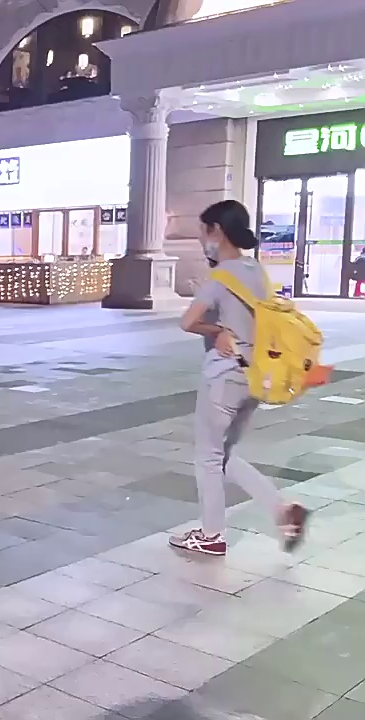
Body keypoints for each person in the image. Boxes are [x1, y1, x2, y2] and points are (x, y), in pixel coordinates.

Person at [173, 199, 308, 556]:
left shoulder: (221, 276)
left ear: (217, 231)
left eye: (203, 231)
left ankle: (211, 534)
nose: (202, 240)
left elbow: (188, 322)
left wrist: (217, 329)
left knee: (208, 457)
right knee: (226, 454)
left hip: (223, 375)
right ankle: (282, 511)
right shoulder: (256, 270)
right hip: (255, 375)